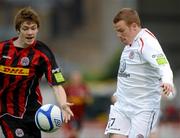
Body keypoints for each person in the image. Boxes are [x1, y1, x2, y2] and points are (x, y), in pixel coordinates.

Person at [0, 7, 74, 138]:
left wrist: (63, 103)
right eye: (25, 28)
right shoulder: (2, 49)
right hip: (7, 112)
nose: (30, 32)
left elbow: (56, 83)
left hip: (34, 113)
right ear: (18, 29)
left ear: (38, 29)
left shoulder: (43, 52)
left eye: (33, 28)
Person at [104, 8, 174, 138]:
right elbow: (127, 74)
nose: (119, 35)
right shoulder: (129, 45)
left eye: (121, 30)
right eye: (117, 31)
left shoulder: (147, 42)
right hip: (122, 106)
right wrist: (117, 94)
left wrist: (167, 80)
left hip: (142, 109)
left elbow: (163, 65)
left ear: (134, 27)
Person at [64, 71, 91, 138]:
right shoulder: (68, 87)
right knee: (72, 132)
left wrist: (83, 98)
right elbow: (63, 100)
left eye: (78, 78)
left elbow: (89, 100)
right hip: (71, 114)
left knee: (77, 132)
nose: (76, 80)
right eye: (74, 78)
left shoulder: (84, 87)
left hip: (80, 115)